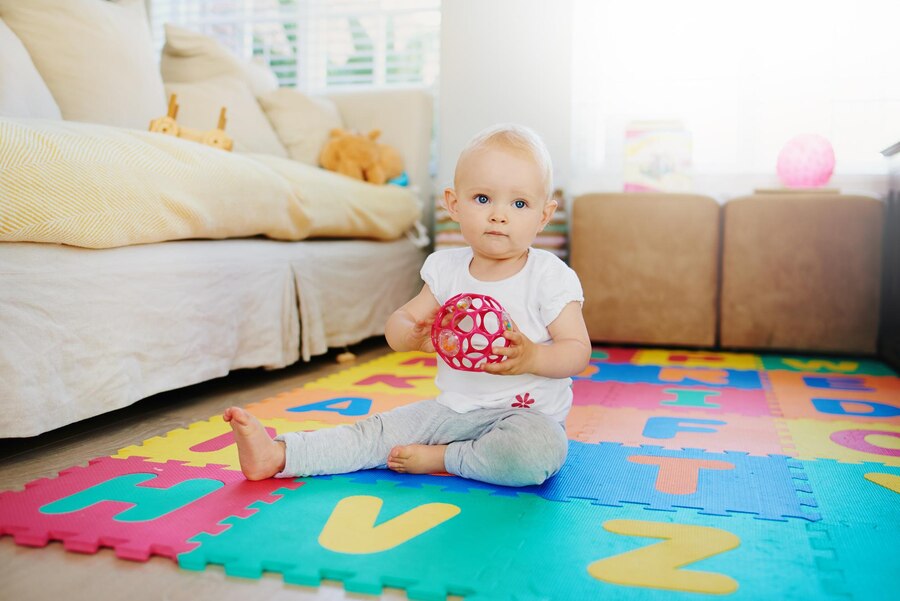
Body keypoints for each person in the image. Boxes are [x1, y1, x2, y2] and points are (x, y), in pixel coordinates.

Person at [224, 123, 591, 487]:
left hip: (527, 417)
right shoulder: (446, 269)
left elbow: (576, 351)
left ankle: (448, 458)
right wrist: (412, 336)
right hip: (452, 411)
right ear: (453, 204)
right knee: (379, 432)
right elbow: (401, 323)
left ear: (544, 215)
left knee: (536, 454)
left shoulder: (548, 276)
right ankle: (281, 455)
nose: (499, 214)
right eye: (482, 199)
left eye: (520, 203)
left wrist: (532, 358)